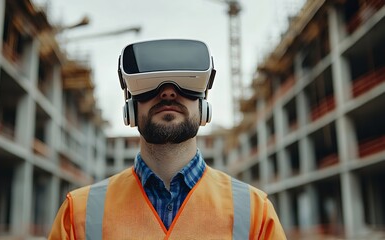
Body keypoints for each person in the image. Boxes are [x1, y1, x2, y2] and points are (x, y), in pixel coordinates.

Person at [49, 39, 286, 239]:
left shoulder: (256, 213)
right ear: (130, 106)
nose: (168, 92)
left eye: (185, 84)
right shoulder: (78, 214)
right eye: (150, 86)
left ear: (203, 104)